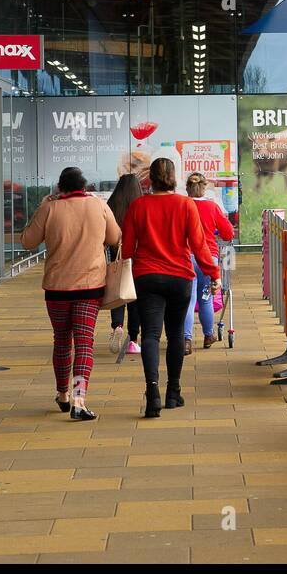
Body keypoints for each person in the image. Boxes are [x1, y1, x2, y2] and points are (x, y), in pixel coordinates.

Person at [121, 158, 220, 416]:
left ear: (150, 178)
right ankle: (173, 392)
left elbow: (128, 248)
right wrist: (213, 273)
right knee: (176, 334)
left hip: (147, 277)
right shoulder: (186, 205)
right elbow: (199, 246)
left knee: (151, 335)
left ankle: (152, 393)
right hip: (180, 277)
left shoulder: (138, 206)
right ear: (174, 177)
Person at [20, 166, 120, 421]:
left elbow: (27, 241)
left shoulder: (49, 208)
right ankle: (79, 401)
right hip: (90, 286)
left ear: (60, 187)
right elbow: (115, 236)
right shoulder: (98, 205)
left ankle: (62, 394)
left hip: (57, 288)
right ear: (84, 186)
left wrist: (41, 207)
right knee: (84, 342)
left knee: (62, 341)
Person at [182, 172, 234, 352]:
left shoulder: (182, 205)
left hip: (185, 258)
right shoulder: (212, 207)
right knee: (206, 299)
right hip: (208, 259)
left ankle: (186, 341)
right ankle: (208, 335)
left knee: (188, 301)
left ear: (187, 188)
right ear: (204, 188)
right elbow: (228, 233)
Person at [105, 174, 143, 356]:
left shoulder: (111, 205)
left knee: (118, 294)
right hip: (137, 260)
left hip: (117, 257)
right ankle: (133, 340)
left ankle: (117, 326)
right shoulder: (141, 204)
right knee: (134, 299)